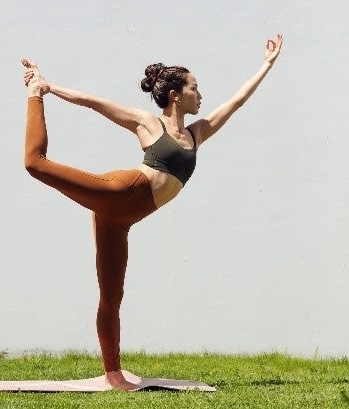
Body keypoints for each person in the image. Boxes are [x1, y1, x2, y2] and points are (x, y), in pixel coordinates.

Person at [21, 33, 283, 390]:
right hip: (121, 190)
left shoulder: (196, 134)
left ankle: (113, 373)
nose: (200, 94)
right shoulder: (149, 122)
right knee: (35, 164)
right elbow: (95, 102)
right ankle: (32, 96)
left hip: (120, 220)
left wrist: (266, 64)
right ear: (175, 95)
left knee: (111, 296)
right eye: (194, 87)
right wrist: (47, 87)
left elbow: (235, 103)